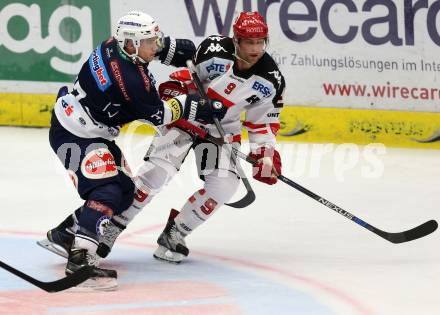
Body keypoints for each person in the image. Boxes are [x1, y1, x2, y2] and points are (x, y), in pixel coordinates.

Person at [39, 10, 227, 290]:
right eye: (151, 42)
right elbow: (157, 115)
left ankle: (66, 234)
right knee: (107, 191)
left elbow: (145, 53)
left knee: (126, 191)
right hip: (74, 134)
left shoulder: (113, 45)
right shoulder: (131, 80)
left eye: (154, 40)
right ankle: (80, 260)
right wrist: (194, 105)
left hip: (90, 131)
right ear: (131, 44)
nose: (156, 45)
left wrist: (169, 48)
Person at [95, 11, 286, 264]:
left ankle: (176, 232)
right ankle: (109, 230)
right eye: (249, 42)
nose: (256, 49)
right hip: (187, 114)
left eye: (261, 42)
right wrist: (177, 101)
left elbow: (263, 122)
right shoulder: (213, 50)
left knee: (225, 185)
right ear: (236, 40)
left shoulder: (271, 80)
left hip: (221, 129)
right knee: (154, 176)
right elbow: (185, 79)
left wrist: (265, 155)